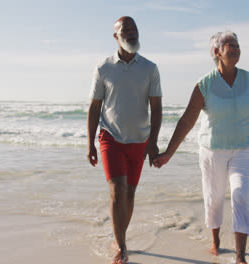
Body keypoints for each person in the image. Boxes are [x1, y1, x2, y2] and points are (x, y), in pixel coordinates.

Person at [153, 31, 249, 264]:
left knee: (240, 195)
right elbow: (187, 120)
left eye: (237, 44)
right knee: (214, 198)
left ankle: (240, 256)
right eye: (229, 45)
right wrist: (168, 153)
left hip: (243, 149)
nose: (235, 48)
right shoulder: (205, 84)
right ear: (217, 52)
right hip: (212, 150)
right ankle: (215, 242)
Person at [86, 16, 162, 264]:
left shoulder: (150, 68)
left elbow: (157, 107)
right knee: (118, 192)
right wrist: (90, 144)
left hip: (139, 140)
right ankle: (122, 246)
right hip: (111, 137)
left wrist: (153, 141)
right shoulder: (103, 68)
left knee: (129, 194)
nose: (131, 32)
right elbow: (94, 108)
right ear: (115, 36)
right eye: (125, 29)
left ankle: (119, 236)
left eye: (134, 29)